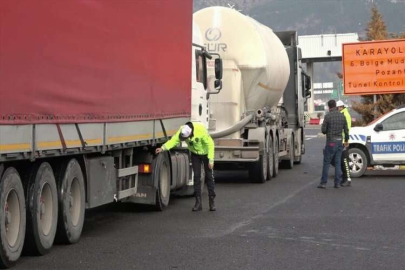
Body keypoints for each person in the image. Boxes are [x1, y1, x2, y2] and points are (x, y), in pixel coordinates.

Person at [155, 122, 216, 211]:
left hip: (206, 154)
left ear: (190, 133)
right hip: (195, 154)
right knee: (197, 177)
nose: (184, 139)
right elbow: (174, 140)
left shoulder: (201, 130)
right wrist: (163, 148)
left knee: (209, 176)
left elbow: (210, 144)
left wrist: (211, 160)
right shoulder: (182, 129)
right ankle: (198, 203)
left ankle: (212, 201)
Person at [318, 100, 349, 189]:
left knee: (327, 162)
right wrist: (346, 140)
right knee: (338, 162)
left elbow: (323, 131)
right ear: (335, 106)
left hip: (331, 142)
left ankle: (323, 183)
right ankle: (337, 183)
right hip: (340, 142)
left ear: (329, 107)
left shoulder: (328, 116)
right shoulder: (342, 116)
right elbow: (346, 130)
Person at [337, 100, 352, 186]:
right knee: (342, 161)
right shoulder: (343, 113)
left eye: (337, 107)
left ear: (341, 107)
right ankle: (344, 177)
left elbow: (346, 129)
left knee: (345, 161)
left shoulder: (344, 115)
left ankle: (347, 179)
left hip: (344, 141)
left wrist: (346, 140)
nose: (337, 109)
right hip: (342, 140)